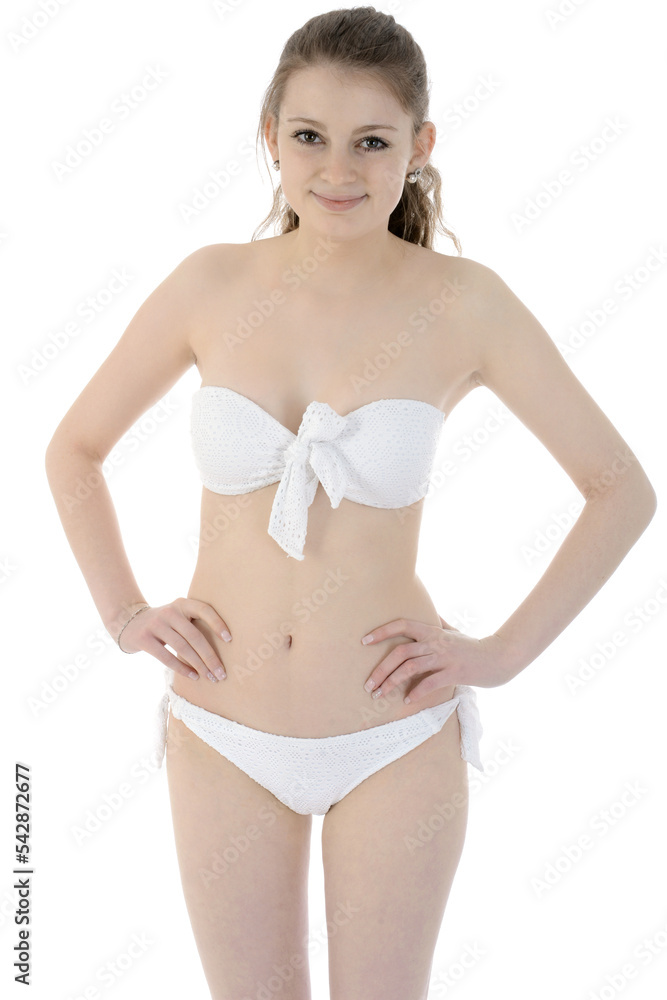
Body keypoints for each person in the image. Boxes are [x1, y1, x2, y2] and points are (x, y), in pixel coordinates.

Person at [44, 7, 656, 999]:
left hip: (393, 732)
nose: (338, 169)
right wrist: (124, 614)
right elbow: (72, 448)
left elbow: (620, 488)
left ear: (418, 147)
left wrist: (499, 653)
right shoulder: (211, 284)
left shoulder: (465, 303)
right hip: (223, 727)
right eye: (309, 137)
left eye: (372, 141)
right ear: (270, 139)